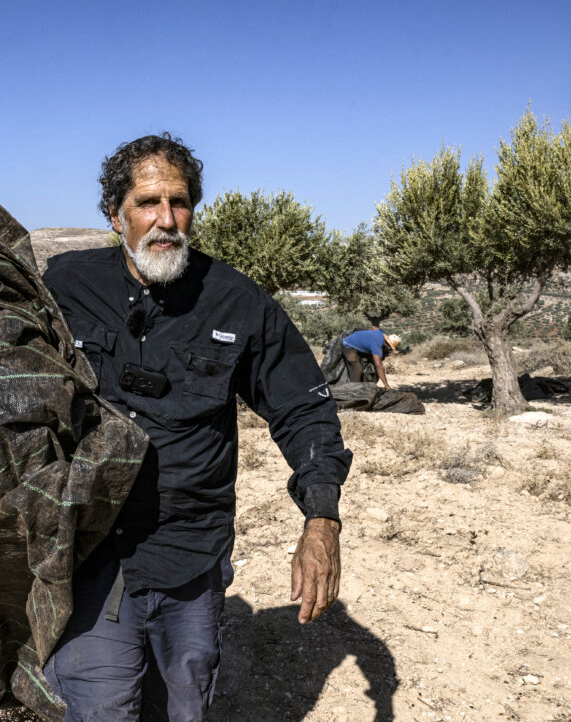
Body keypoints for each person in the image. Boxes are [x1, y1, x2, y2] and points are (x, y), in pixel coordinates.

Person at [41, 133, 353, 722]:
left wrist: (321, 516)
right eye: (147, 203)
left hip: (191, 556)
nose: (166, 220)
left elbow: (303, 408)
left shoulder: (238, 302)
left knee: (184, 709)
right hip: (91, 552)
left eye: (179, 202)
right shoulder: (65, 286)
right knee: (101, 707)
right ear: (115, 215)